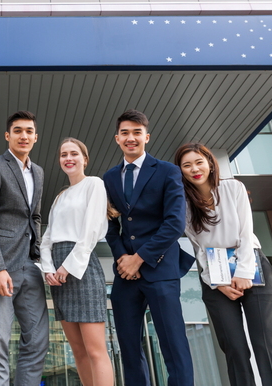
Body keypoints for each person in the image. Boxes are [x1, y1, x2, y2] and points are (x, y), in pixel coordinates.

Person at [175, 143, 272, 386]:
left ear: (209, 162)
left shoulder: (232, 187)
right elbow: (199, 248)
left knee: (266, 344)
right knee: (235, 347)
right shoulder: (183, 204)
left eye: (199, 162)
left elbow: (246, 233)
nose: (194, 169)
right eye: (186, 165)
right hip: (214, 274)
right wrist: (216, 282)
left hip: (251, 265)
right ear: (180, 171)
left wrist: (244, 272)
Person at [102, 109, 195, 386]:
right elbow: (109, 225)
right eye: (125, 133)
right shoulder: (108, 177)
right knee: (129, 349)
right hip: (125, 275)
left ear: (147, 137)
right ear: (117, 138)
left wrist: (139, 258)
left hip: (160, 267)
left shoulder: (168, 171)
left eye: (137, 133)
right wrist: (122, 259)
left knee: (173, 346)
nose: (131, 138)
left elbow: (175, 223)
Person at [0, 110, 49, 386]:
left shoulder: (38, 172)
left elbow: (36, 216)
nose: (24, 135)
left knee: (38, 338)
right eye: (18, 130)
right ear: (8, 136)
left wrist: (38, 256)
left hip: (29, 265)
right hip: (1, 267)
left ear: (35, 137)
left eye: (29, 131)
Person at [41, 138, 116, 386]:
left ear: (85, 159)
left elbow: (92, 231)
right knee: (78, 350)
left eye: (74, 153)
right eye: (63, 154)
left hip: (81, 267)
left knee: (95, 350)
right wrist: (49, 269)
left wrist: (67, 266)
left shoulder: (94, 184)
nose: (68, 158)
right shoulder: (60, 196)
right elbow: (47, 238)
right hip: (58, 273)